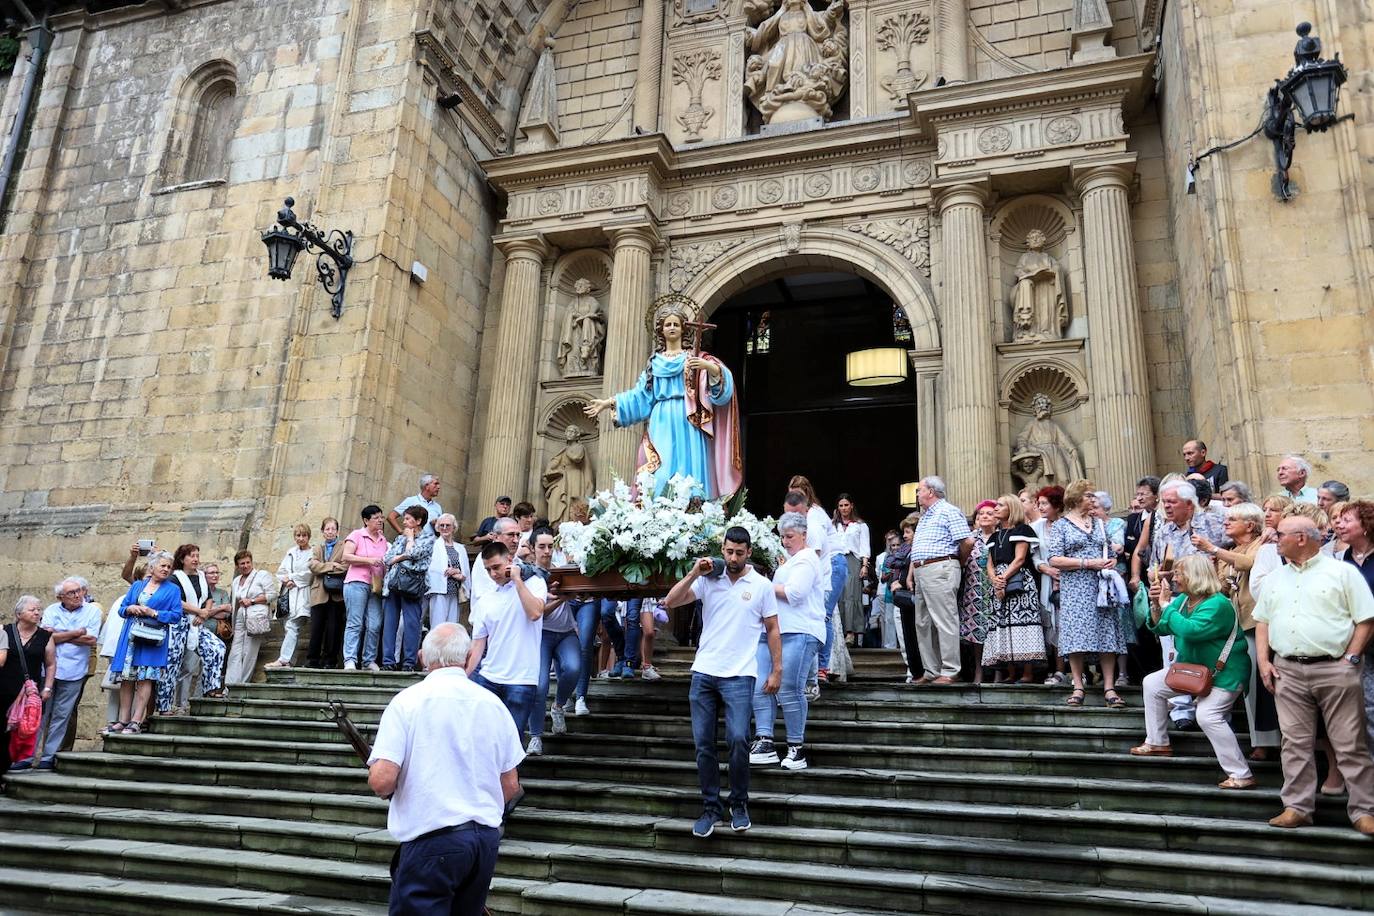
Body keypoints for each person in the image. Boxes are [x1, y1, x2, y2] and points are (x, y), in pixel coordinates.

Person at [367, 623, 523, 916]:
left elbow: (382, 781)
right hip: (483, 841)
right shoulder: (493, 705)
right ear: (466, 658)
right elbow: (511, 785)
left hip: (433, 839)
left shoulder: (407, 702)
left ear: (424, 657)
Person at [1254, 516, 1374, 833]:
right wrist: (1264, 662)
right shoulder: (1275, 578)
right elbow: (1262, 621)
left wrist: (1351, 658)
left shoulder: (1342, 573)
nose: (1274, 539)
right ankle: (1297, 807)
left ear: (1303, 538)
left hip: (1335, 668)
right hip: (1287, 670)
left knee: (1350, 744)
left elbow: (1366, 618)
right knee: (1294, 744)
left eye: (1280, 534)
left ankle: (1365, 811)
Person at [665, 528, 781, 838]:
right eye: (728, 551)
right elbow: (670, 601)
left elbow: (772, 628)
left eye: (739, 553)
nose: (732, 558)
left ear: (749, 552)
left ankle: (739, 804)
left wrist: (776, 670)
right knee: (704, 744)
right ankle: (710, 807)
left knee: (739, 739)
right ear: (722, 548)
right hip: (704, 671)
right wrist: (693, 572)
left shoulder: (761, 585)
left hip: (741, 674)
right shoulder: (708, 580)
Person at [583, 300, 742, 500]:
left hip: (688, 417)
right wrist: (610, 402)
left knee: (689, 467)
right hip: (661, 419)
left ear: (684, 328)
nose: (672, 328)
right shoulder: (654, 362)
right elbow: (641, 395)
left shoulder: (696, 358)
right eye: (668, 324)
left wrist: (708, 367)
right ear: (661, 330)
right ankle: (658, 508)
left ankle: (693, 507)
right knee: (660, 469)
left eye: (676, 324)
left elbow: (721, 387)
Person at [1134, 555, 1255, 788]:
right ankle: (1157, 742)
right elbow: (1161, 628)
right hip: (1193, 671)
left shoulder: (1217, 604)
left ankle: (1241, 774)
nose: (1175, 578)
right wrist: (1157, 604)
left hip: (1225, 673)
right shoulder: (1182, 602)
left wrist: (1168, 606)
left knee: (1207, 715)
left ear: (1196, 576)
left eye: (1179, 574)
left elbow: (1191, 631)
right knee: (1152, 683)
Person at [1192, 502, 1280, 761]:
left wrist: (1213, 549)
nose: (1226, 522)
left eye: (1232, 519)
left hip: (1256, 625)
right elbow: (1219, 588)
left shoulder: (1261, 547)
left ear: (1250, 525)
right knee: (1248, 685)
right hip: (1236, 627)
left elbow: (1246, 563)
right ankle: (1259, 739)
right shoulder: (1231, 549)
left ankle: (1266, 741)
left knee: (1257, 683)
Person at [749, 512, 823, 770]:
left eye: (790, 536)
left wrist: (762, 585)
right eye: (782, 536)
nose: (785, 541)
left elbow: (796, 594)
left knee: (789, 688)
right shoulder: (789, 562)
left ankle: (796, 747)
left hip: (800, 629)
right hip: (775, 631)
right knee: (760, 685)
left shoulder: (806, 559)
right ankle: (765, 739)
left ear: (804, 535)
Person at [1048, 480, 1126, 708]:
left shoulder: (1099, 524)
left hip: (1100, 587)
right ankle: (1078, 685)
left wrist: (1111, 560)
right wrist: (1087, 563)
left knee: (1106, 632)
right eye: (1089, 496)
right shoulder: (1061, 525)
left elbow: (1110, 550)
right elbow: (1053, 559)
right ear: (1076, 498)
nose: (1093, 500)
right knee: (1076, 634)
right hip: (1076, 587)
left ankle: (1109, 687)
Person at [465, 541, 548, 735]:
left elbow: (535, 612)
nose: (493, 574)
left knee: (512, 741)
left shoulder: (535, 583)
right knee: (481, 737)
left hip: (521, 679)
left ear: (510, 560)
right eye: (488, 570)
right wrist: (463, 675)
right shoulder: (486, 599)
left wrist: (518, 580)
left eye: (497, 567)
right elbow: (477, 645)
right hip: (488, 676)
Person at [22, 578, 101, 770]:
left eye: (80, 590)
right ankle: (27, 755)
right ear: (60, 597)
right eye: (72, 592)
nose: (77, 595)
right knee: (39, 714)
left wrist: (59, 634)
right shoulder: (51, 610)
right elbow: (44, 636)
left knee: (61, 715)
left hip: (75, 670)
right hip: (48, 669)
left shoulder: (92, 611)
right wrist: (76, 632)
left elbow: (90, 639)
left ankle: (48, 757)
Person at [906, 476, 973, 685]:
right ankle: (931, 670)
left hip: (940, 567)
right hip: (922, 570)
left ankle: (950, 670)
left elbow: (967, 541)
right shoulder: (925, 516)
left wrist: (957, 563)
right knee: (923, 622)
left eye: (919, 490)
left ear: (931, 492)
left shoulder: (948, 511)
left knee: (944, 620)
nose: (917, 494)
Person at [108, 551, 183, 734]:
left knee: (145, 677)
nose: (166, 569)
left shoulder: (172, 590)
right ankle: (123, 719)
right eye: (162, 565)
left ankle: (136, 720)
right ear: (152, 567)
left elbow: (176, 615)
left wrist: (154, 613)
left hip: (152, 638)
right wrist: (130, 608)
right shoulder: (137, 586)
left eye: (168, 567)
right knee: (127, 678)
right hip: (131, 636)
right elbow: (122, 609)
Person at [524, 527, 580, 755]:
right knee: (539, 686)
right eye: (542, 547)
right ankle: (536, 736)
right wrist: (561, 599)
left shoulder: (563, 571)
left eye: (550, 546)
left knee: (574, 668)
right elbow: (538, 612)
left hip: (566, 631)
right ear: (533, 548)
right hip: (541, 634)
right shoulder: (529, 576)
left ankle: (558, 706)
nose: (547, 551)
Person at [784, 482, 843, 682]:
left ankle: (822, 668)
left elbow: (812, 555)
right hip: (817, 571)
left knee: (824, 616)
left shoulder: (813, 523)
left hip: (827, 570)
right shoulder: (797, 524)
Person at [983, 494, 1045, 683]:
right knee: (1003, 623)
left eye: (1000, 505)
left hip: (1019, 581)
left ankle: (1027, 672)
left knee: (1022, 623)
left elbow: (1019, 559)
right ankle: (1010, 672)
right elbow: (989, 564)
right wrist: (995, 580)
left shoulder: (1022, 530)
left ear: (1012, 508)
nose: (996, 508)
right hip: (999, 582)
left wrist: (1003, 579)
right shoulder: (994, 536)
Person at [163, 545, 228, 713]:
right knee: (173, 664)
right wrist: (199, 611)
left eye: (197, 555)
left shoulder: (200, 577)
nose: (195, 559)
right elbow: (176, 601)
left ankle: (210, 688)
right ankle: (165, 705)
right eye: (192, 556)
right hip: (179, 624)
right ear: (182, 559)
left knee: (217, 647)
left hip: (197, 623)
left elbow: (208, 598)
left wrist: (204, 614)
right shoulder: (175, 578)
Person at [1335, 501, 1374, 749]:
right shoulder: (1338, 560)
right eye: (1338, 520)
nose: (1339, 524)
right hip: (1352, 645)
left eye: (1347, 520)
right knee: (1363, 711)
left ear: (1367, 526)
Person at [3, 596, 54, 775]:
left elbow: (50, 664)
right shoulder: (5, 631)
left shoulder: (45, 636)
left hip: (28, 692)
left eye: (39, 610)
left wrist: (47, 687)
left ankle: (12, 763)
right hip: (4, 688)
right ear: (19, 613)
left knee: (20, 730)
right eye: (32, 609)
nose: (37, 613)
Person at [382, 505, 435, 672]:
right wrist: (403, 555)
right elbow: (388, 558)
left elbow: (416, 554)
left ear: (418, 521)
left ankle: (409, 662)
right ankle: (388, 661)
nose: (403, 522)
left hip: (413, 585)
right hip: (394, 583)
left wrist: (409, 544)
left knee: (412, 624)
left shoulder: (428, 538)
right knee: (390, 623)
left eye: (407, 519)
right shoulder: (399, 538)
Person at [341, 505, 389, 671]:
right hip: (356, 582)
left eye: (381, 517)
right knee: (355, 622)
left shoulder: (383, 539)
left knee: (375, 624)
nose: (380, 521)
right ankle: (350, 659)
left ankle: (368, 660)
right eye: (376, 518)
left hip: (375, 585)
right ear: (366, 520)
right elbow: (345, 556)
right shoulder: (356, 535)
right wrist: (369, 560)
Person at [224, 550, 277, 686]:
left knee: (249, 652)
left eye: (248, 562)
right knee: (235, 651)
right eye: (242, 563)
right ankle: (230, 684)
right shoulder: (236, 581)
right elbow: (235, 603)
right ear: (237, 566)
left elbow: (272, 595)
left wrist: (252, 601)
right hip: (240, 617)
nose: (246, 565)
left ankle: (242, 683)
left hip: (255, 617)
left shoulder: (261, 575)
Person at [959, 501, 998, 685]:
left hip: (997, 589)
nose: (984, 516)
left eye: (989, 513)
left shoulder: (1001, 537)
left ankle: (999, 672)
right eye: (980, 514)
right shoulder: (971, 538)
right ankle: (979, 671)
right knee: (976, 632)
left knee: (997, 630)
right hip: (974, 591)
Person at [268, 524, 314, 669]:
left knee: (293, 625)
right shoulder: (290, 552)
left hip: (303, 593)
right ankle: (290, 660)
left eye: (304, 535)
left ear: (308, 536)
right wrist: (286, 580)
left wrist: (292, 578)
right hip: (289, 594)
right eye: (298, 535)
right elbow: (281, 571)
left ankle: (284, 659)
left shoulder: (313, 553)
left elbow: (309, 574)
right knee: (289, 627)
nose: (301, 538)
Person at [1033, 485, 1067, 684]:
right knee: (1053, 623)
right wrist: (1046, 569)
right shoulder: (1037, 526)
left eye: (1044, 503)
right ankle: (1059, 669)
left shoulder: (1068, 523)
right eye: (1039, 504)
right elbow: (1035, 556)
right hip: (1047, 579)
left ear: (1056, 504)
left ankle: (1082, 671)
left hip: (1070, 579)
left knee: (1068, 622)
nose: (1041, 507)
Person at [306, 518, 348, 669]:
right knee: (316, 627)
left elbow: (344, 566)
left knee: (334, 628)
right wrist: (331, 565)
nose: (330, 532)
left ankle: (330, 660)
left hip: (336, 594)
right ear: (323, 531)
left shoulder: (343, 547)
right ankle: (313, 659)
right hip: (319, 593)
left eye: (333, 529)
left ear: (337, 531)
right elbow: (313, 565)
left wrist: (323, 567)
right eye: (327, 529)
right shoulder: (318, 548)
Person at [832, 494, 870, 645]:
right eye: (841, 505)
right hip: (835, 560)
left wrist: (864, 565)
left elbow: (864, 546)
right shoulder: (833, 525)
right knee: (838, 594)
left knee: (851, 594)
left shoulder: (860, 525)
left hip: (852, 560)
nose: (843, 508)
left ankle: (850, 632)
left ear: (851, 505)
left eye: (846, 505)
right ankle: (838, 631)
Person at [428, 513, 471, 631]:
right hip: (439, 590)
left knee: (452, 626)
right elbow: (431, 568)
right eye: (441, 525)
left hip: (455, 591)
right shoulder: (433, 545)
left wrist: (457, 571)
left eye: (448, 525)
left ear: (454, 527)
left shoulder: (460, 548)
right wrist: (448, 571)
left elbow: (465, 570)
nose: (445, 528)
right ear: (437, 528)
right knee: (438, 626)